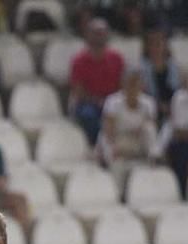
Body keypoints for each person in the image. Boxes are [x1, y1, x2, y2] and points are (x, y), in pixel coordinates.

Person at [68, 18, 125, 146]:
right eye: (96, 33)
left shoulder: (117, 58)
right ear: (88, 35)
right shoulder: (78, 61)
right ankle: (97, 148)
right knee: (89, 115)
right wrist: (98, 101)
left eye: (102, 32)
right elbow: (78, 91)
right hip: (89, 103)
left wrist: (110, 102)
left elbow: (122, 85)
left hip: (113, 101)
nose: (99, 36)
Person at [97, 68, 158, 169]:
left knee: (149, 129)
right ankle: (111, 164)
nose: (132, 88)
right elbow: (108, 130)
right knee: (104, 139)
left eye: (136, 84)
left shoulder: (148, 103)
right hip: (118, 140)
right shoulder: (112, 102)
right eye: (130, 84)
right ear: (123, 85)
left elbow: (150, 126)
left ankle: (153, 159)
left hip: (137, 141)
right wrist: (116, 149)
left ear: (141, 86)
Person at [139, 26, 181, 123]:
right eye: (151, 44)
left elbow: (178, 91)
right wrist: (160, 106)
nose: (155, 48)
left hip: (174, 109)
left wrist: (171, 106)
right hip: (151, 111)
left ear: (165, 45)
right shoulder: (140, 69)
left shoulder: (175, 67)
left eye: (158, 44)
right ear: (146, 47)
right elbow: (143, 95)